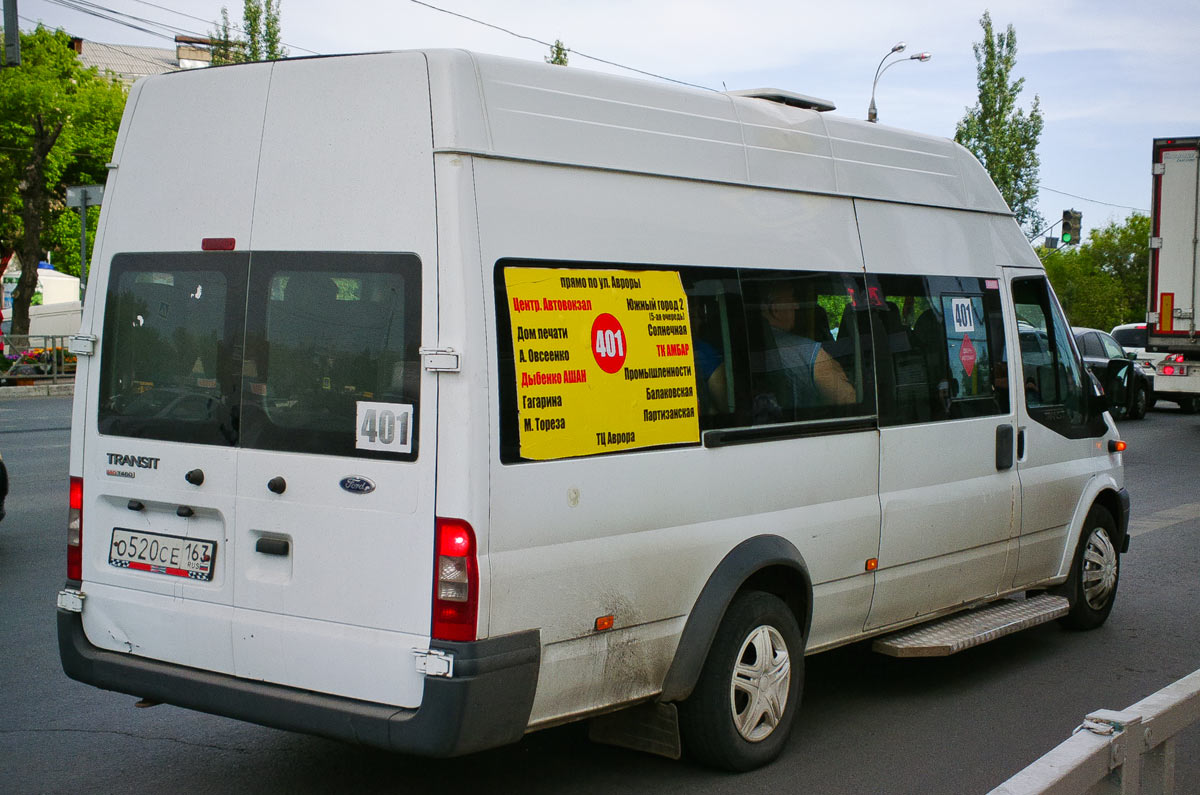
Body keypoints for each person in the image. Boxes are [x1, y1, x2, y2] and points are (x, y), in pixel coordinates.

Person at [758, 281, 856, 413]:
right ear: (775, 309)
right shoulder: (809, 353)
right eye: (792, 299)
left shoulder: (742, 347)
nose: (797, 306)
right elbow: (847, 402)